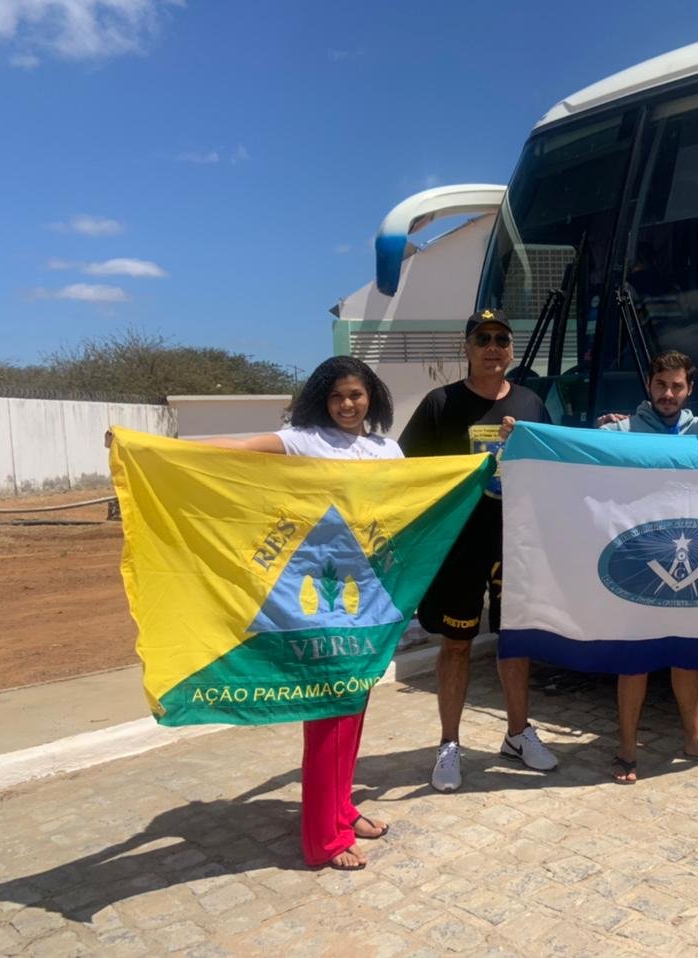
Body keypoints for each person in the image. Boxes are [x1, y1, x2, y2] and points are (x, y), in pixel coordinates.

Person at [194, 356, 398, 870]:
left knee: (353, 708)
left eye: (356, 394)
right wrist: (154, 447)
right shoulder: (305, 441)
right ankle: (324, 839)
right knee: (327, 714)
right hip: (312, 599)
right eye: (336, 396)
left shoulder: (387, 450)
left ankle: (342, 809)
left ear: (371, 396)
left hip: (365, 599)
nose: (347, 405)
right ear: (321, 400)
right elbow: (242, 449)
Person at [503, 350, 698, 784]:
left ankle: (696, 739)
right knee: (634, 658)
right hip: (635, 559)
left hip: (688, 553)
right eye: (661, 385)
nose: (668, 394)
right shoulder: (619, 432)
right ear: (649, 385)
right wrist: (523, 436)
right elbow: (568, 451)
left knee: (689, 655)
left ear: (689, 389)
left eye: (677, 386)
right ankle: (627, 749)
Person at [397, 309, 559, 793]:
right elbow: (405, 470)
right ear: (466, 348)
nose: (493, 347)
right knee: (457, 644)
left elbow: (556, 464)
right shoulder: (439, 403)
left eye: (501, 339)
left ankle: (517, 734)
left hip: (515, 543)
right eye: (482, 338)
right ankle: (449, 744)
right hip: (460, 544)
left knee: (515, 642)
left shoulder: (530, 402)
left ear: (511, 349)